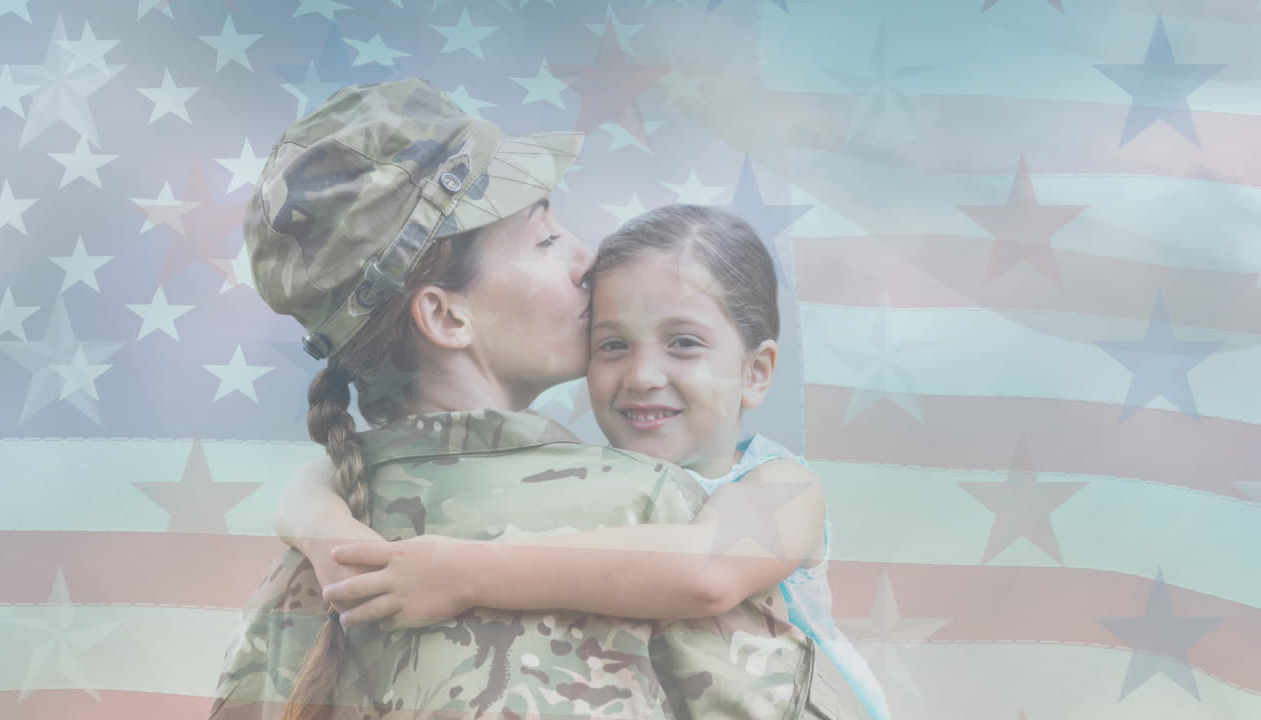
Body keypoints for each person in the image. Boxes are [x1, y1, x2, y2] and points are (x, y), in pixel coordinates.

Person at [208, 78, 856, 720]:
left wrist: (334, 529)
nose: (588, 261)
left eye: (683, 343)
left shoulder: (315, 554)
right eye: (546, 240)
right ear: (447, 317)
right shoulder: (652, 506)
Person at [281, 205, 891, 720]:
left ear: (755, 372)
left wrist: (461, 572)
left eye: (684, 343)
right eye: (613, 345)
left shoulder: (779, 484)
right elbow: (313, 481)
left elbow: (704, 575)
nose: (643, 375)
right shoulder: (596, 478)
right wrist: (324, 519)